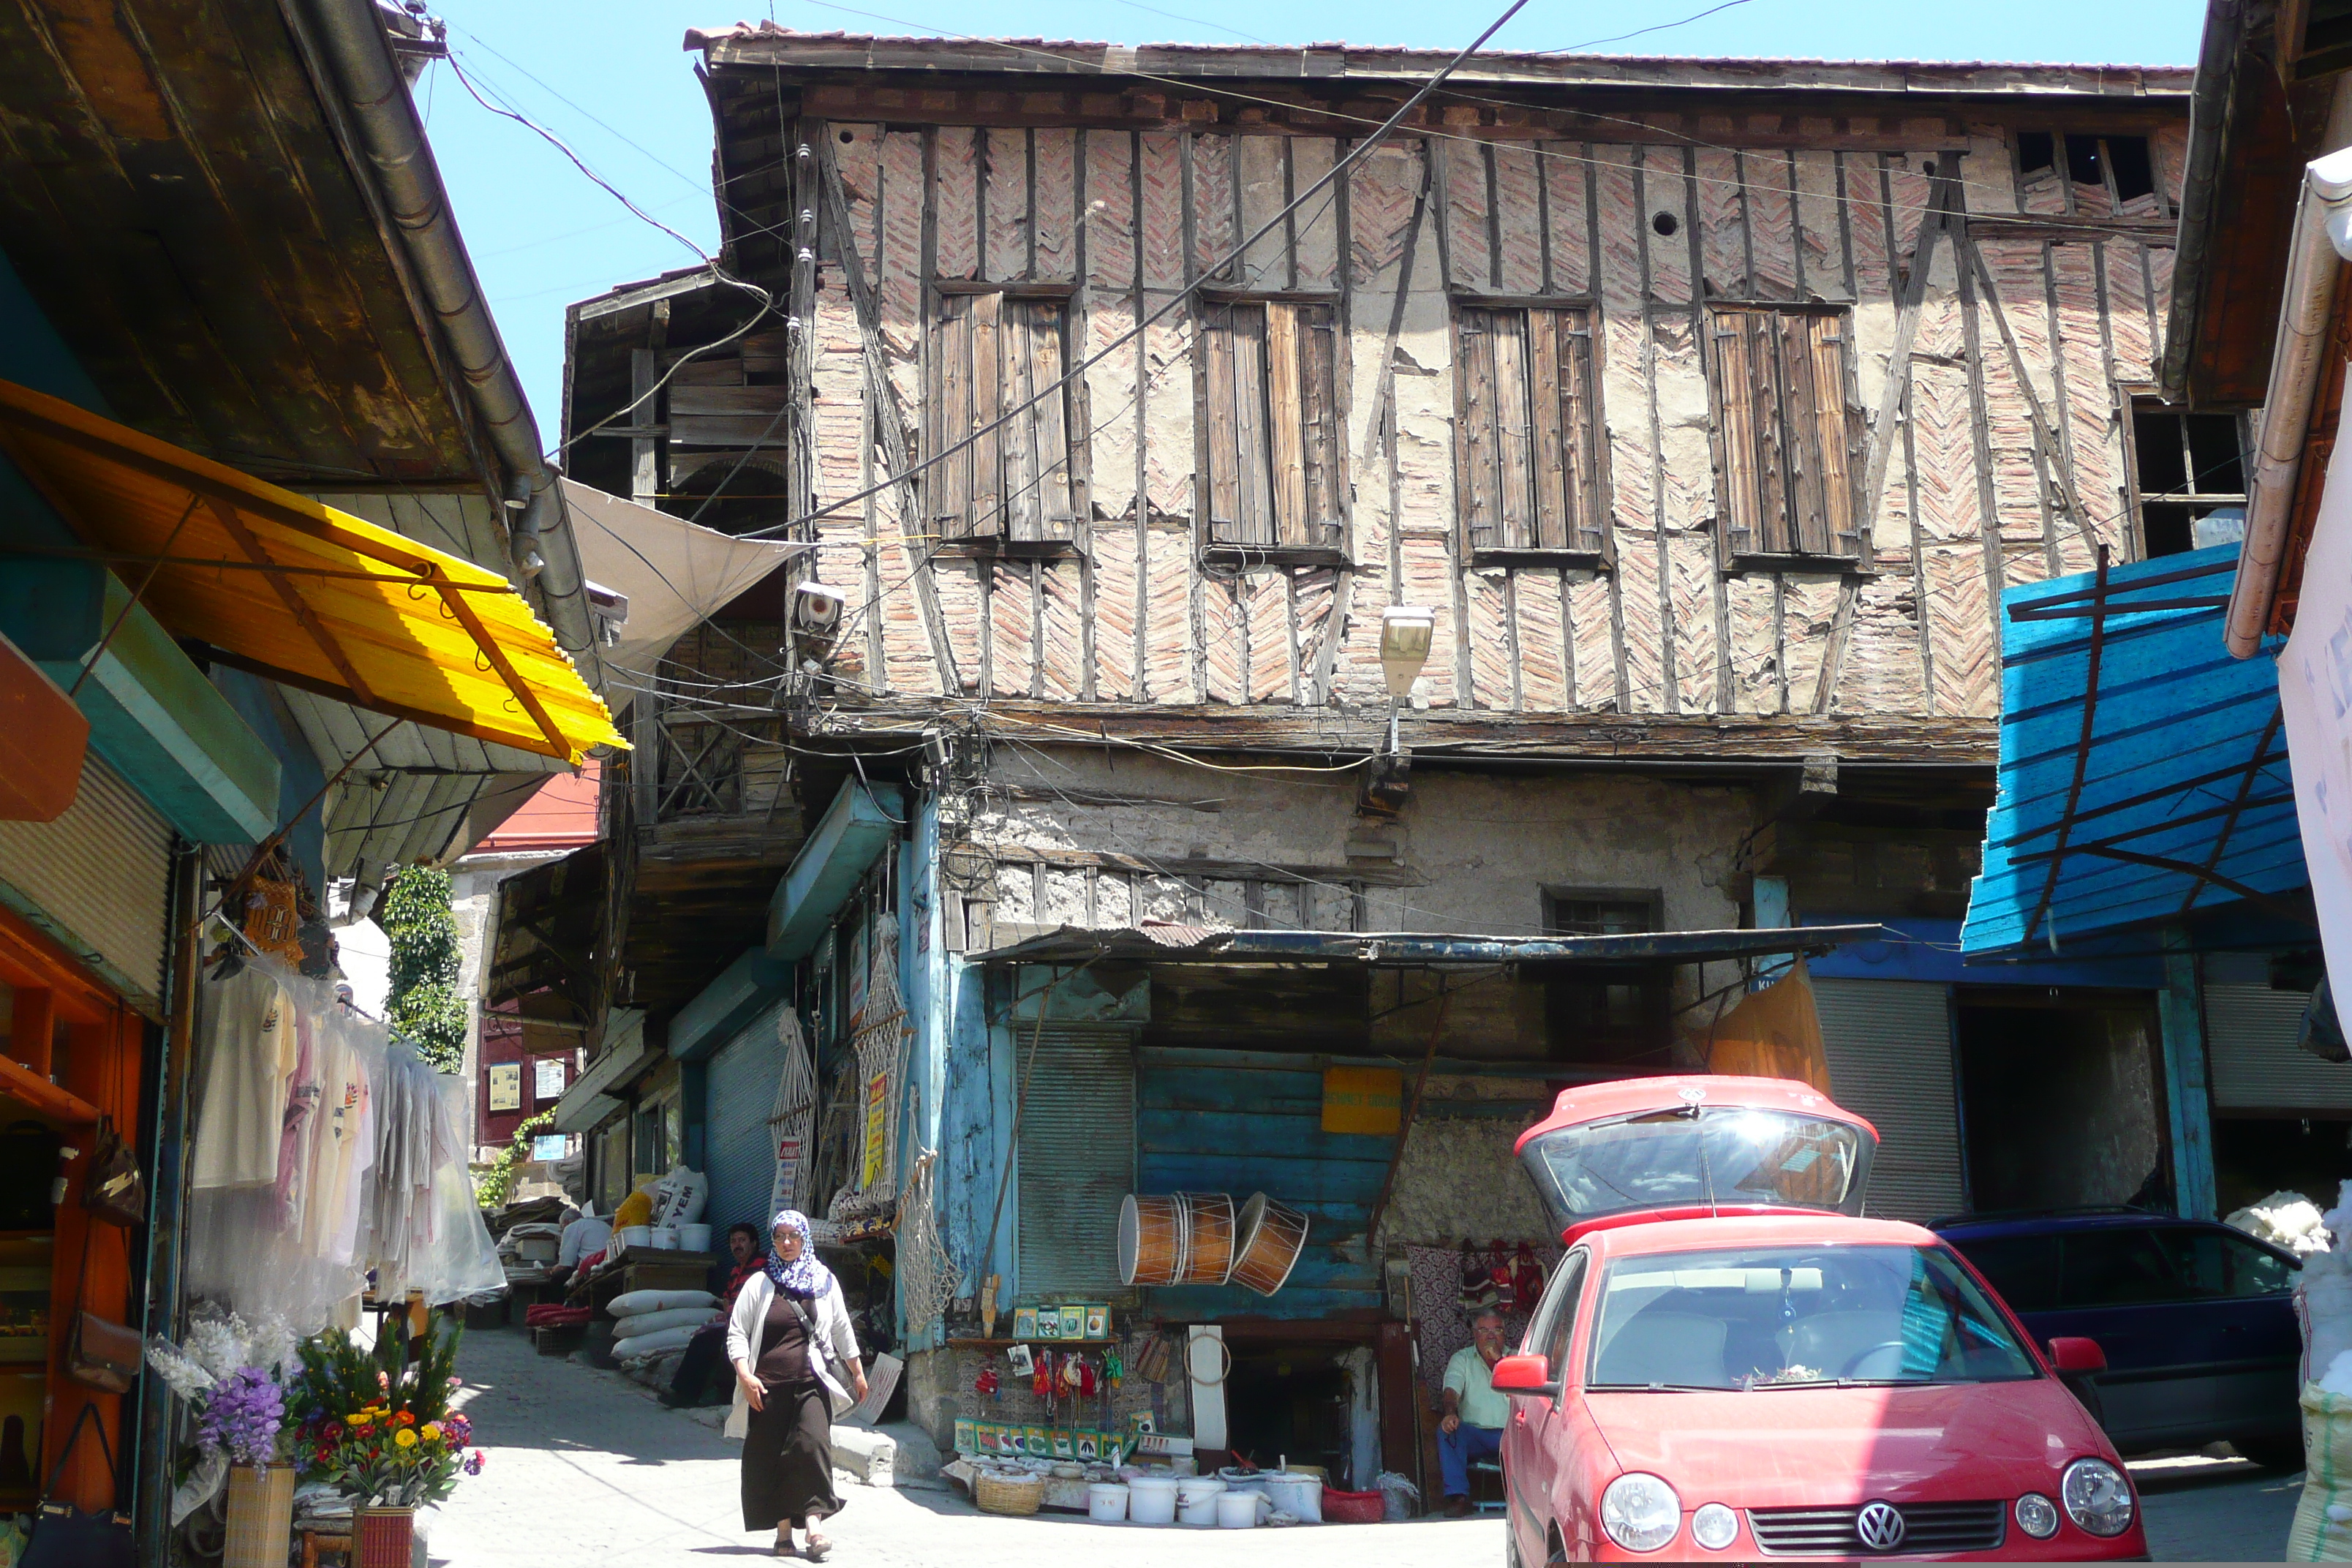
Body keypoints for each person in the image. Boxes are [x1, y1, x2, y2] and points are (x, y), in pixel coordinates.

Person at [728, 1210, 868, 1561]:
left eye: (794, 1236)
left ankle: (814, 1526)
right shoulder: (759, 1284)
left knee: (811, 1447)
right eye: (780, 1237)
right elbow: (737, 1334)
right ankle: (783, 1532)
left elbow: (841, 1328)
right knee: (773, 1457)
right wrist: (745, 1376)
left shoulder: (823, 1281)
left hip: (812, 1381)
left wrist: (858, 1370)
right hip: (767, 1388)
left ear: (805, 1238)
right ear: (773, 1241)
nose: (787, 1243)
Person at [660, 1223, 764, 1407]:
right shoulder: (735, 1271)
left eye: (742, 1240)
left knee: (724, 1346)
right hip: (734, 1326)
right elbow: (727, 1299)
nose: (737, 1245)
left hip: (754, 1327)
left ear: (754, 1243)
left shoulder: (763, 1266)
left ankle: (722, 1395)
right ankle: (684, 1395)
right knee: (702, 1340)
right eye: (733, 1242)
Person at [1439, 1311, 1511, 1517]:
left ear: (1504, 1334)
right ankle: (1458, 1497)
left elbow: (1521, 1391)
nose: (1491, 1336)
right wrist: (1450, 1414)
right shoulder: (1462, 1359)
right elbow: (1451, 1390)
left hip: (1511, 1435)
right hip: (1475, 1435)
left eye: (1497, 1330)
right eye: (1484, 1330)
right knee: (1448, 1431)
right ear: (1474, 1334)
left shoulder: (1516, 1357)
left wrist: (1499, 1361)